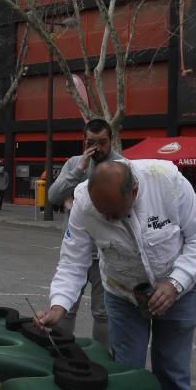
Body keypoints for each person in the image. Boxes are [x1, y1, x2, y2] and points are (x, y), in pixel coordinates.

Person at [35, 160, 196, 390]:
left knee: (173, 378)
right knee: (126, 378)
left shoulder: (168, 181)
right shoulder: (85, 205)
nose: (108, 220)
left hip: (177, 292)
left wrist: (176, 283)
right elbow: (73, 260)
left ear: (134, 191)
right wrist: (59, 305)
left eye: (115, 213)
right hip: (122, 294)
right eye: (102, 214)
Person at [45, 119, 121, 346]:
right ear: (84, 141)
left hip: (106, 252)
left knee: (103, 312)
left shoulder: (122, 165)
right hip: (75, 248)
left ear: (111, 140)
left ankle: (103, 359)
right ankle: (62, 354)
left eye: (103, 142)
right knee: (65, 308)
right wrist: (79, 171)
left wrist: (77, 200)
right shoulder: (75, 164)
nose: (97, 147)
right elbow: (53, 197)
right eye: (91, 142)